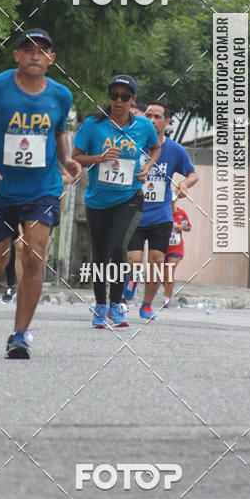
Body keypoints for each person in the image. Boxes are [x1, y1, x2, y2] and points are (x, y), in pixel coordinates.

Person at [0, 28, 81, 359]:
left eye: (42, 51)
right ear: (16, 55)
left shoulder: (61, 95)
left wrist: (67, 159)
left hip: (42, 189)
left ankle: (20, 335)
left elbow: (58, 133)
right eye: (28, 49)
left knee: (34, 255)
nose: (35, 55)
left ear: (51, 59)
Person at [72, 75, 160, 329]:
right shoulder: (93, 124)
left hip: (129, 197)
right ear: (109, 98)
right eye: (114, 96)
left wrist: (148, 167)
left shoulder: (143, 126)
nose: (118, 101)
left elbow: (155, 148)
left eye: (124, 97)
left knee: (119, 245)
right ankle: (100, 307)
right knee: (100, 255)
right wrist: (99, 157)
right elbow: (75, 156)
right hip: (98, 200)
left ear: (133, 100)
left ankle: (117, 305)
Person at [127, 102, 198, 319]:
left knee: (158, 260)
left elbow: (193, 174)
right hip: (133, 212)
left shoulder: (175, 150)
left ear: (166, 122)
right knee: (134, 260)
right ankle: (125, 293)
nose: (152, 120)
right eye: (148, 115)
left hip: (161, 215)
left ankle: (146, 304)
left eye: (157, 116)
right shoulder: (133, 144)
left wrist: (185, 184)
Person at [2, 166, 74, 302]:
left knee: (39, 253)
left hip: (44, 205)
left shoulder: (50, 151)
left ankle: (31, 287)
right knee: (19, 246)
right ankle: (18, 289)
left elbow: (67, 178)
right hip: (18, 202)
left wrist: (44, 181)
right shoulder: (16, 148)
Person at [163, 194, 191, 307]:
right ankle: (168, 291)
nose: (171, 203)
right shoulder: (163, 213)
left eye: (173, 201)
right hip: (163, 246)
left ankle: (167, 299)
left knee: (170, 269)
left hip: (176, 247)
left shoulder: (181, 213)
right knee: (162, 274)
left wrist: (180, 227)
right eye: (169, 201)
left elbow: (188, 227)